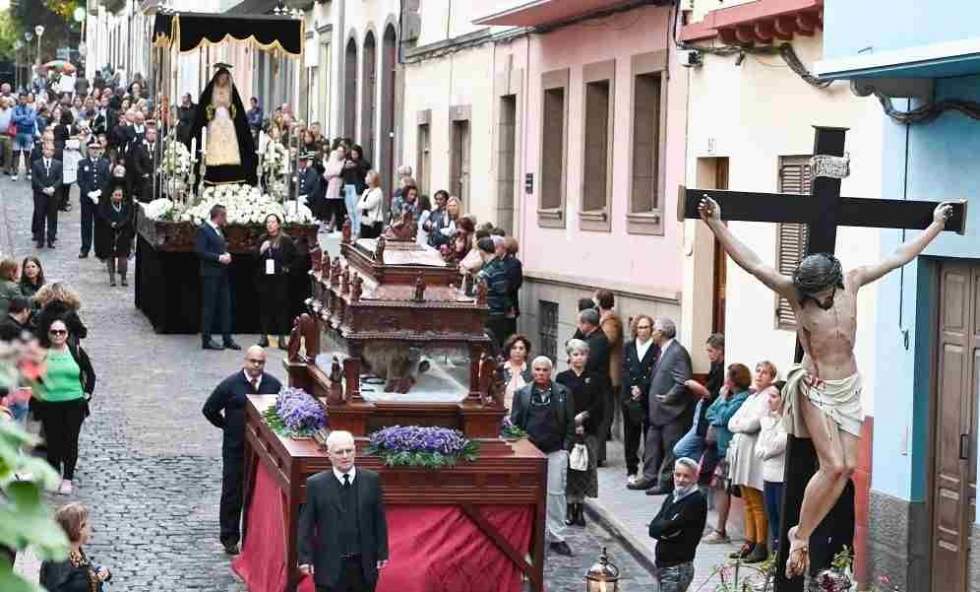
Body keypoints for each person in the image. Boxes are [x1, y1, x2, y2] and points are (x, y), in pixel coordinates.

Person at [698, 195, 956, 576]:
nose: (816, 299)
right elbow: (753, 264)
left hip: (848, 385)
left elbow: (898, 256)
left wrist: (935, 226)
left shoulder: (851, 283)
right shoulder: (796, 294)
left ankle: (801, 531)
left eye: (822, 293)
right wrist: (716, 224)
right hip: (816, 387)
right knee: (832, 463)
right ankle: (799, 537)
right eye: (811, 293)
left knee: (848, 467)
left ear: (833, 282)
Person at [202, 346, 282, 554]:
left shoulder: (273, 384)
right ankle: (229, 536)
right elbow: (209, 409)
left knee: (259, 490)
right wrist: (227, 426)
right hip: (235, 448)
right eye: (253, 361)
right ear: (245, 361)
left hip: (263, 449)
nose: (256, 366)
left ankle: (255, 537)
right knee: (232, 490)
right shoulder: (230, 385)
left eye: (260, 362)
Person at [298, 430, 389, 592]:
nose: (345, 456)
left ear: (355, 450)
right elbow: (306, 524)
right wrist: (305, 558)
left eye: (349, 450)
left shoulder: (371, 480)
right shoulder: (315, 484)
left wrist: (382, 552)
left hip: (363, 565)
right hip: (330, 566)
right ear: (329, 455)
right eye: (339, 452)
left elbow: (379, 520)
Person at [510, 356, 575, 556]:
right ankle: (527, 534)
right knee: (528, 494)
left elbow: (570, 423)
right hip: (530, 451)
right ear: (532, 371)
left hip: (555, 450)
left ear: (551, 371)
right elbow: (515, 423)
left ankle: (556, 536)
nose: (540, 373)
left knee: (555, 494)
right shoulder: (522, 394)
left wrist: (566, 447)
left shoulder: (563, 393)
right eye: (537, 369)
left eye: (544, 370)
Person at [30, 318, 96, 495]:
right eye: (54, 332)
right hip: (50, 404)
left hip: (74, 404)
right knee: (53, 442)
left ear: (67, 334)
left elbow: (90, 374)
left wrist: (86, 395)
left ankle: (68, 478)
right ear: (49, 334)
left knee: (70, 441)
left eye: (61, 332)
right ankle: (55, 476)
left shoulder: (76, 351)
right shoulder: (42, 354)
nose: (58, 335)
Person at [629, 317, 693, 496]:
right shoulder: (662, 350)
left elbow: (683, 380)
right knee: (652, 444)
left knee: (670, 448)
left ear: (662, 333)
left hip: (672, 411)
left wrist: (668, 398)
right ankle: (648, 476)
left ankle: (665, 482)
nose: (652, 332)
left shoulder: (677, 352)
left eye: (654, 329)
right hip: (657, 411)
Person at [726, 361, 776, 564]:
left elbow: (753, 424)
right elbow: (732, 420)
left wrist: (739, 426)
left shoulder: (768, 396)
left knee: (756, 500)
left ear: (771, 377)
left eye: (765, 372)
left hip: (753, 454)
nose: (760, 375)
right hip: (742, 454)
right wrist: (739, 426)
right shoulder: (752, 396)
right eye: (758, 370)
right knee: (746, 499)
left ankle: (760, 544)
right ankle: (749, 540)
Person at [701, 363, 751, 544]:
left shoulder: (741, 399)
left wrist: (721, 401)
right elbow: (709, 413)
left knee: (725, 489)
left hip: (731, 451)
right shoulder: (731, 397)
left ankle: (721, 531)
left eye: (727, 377)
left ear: (732, 380)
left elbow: (723, 417)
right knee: (720, 487)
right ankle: (720, 529)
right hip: (722, 449)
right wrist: (720, 409)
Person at [556, 339, 604, 528]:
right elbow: (560, 403)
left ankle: (580, 507)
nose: (579, 358)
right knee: (570, 469)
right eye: (575, 354)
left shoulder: (595, 377)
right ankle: (569, 506)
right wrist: (572, 421)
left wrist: (585, 417)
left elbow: (599, 403)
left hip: (588, 430)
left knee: (585, 469)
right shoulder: (562, 378)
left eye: (582, 354)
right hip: (568, 431)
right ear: (569, 356)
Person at [188, 64, 258, 187]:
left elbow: (237, 112)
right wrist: (211, 110)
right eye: (221, 78)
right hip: (214, 123)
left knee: (231, 147)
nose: (223, 81)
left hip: (228, 123)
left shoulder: (231, 91)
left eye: (225, 78)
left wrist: (229, 108)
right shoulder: (211, 90)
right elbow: (204, 110)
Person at [648, 457, 708, 592]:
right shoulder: (672, 497)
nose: (680, 480)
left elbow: (670, 528)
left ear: (695, 478)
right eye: (678, 475)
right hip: (664, 566)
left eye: (686, 476)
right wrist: (664, 529)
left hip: (677, 568)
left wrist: (664, 527)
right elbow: (653, 529)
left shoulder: (695, 501)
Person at [673, 334, 726, 483]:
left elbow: (712, 395)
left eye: (710, 351)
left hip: (707, 418)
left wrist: (694, 386)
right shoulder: (715, 366)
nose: (708, 354)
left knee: (680, 449)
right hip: (702, 416)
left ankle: (694, 474)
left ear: (720, 350)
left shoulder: (722, 370)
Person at [195, 204, 240, 351]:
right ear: (218, 216)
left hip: (222, 274)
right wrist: (219, 258)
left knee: (225, 306)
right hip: (210, 274)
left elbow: (220, 246)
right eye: (224, 216)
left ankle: (227, 338)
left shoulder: (218, 230)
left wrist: (226, 254)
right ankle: (206, 339)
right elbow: (200, 252)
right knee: (209, 307)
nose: (226, 219)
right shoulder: (203, 230)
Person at [40, 503, 113, 591]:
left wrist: (103, 572)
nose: (90, 527)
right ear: (78, 529)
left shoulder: (75, 551)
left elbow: (84, 570)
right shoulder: (58, 560)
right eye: (86, 524)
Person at [622, 314, 659, 485]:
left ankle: (648, 469)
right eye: (640, 327)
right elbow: (624, 369)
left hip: (648, 397)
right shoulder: (628, 347)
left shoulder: (656, 349)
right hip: (630, 397)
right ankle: (631, 469)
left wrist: (642, 389)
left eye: (646, 327)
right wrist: (632, 388)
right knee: (631, 434)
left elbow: (655, 372)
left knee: (649, 434)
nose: (643, 331)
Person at [756, 379, 788, 554]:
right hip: (768, 475)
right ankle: (775, 558)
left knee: (782, 521)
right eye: (769, 396)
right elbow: (758, 449)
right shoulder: (768, 420)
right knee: (773, 521)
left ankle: (780, 558)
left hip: (781, 477)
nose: (769, 400)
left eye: (774, 397)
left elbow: (778, 444)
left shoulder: (787, 421)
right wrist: (766, 449)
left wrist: (766, 450)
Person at [257, 214, 296, 348]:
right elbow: (254, 257)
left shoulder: (285, 240)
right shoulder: (262, 239)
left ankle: (282, 339)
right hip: (265, 279)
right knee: (264, 308)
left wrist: (287, 269)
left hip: (280, 279)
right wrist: (261, 250)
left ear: (278, 224)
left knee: (281, 309)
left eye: (273, 222)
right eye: (268, 222)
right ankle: (264, 337)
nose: (270, 225)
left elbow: (295, 258)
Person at [594, 289, 623, 465]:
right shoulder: (604, 317)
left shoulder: (610, 319)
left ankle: (607, 431)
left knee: (608, 402)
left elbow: (608, 340)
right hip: (606, 368)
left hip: (611, 368)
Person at [475, 237, 512, 349]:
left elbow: (501, 289)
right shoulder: (491, 267)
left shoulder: (495, 268)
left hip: (494, 313)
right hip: (490, 312)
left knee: (494, 345)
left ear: (482, 251)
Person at [95, 183, 135, 287]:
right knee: (110, 256)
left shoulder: (126, 205)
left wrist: (121, 224)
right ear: (111, 195)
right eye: (116, 195)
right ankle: (112, 278)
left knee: (123, 256)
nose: (118, 197)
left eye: (119, 195)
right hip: (109, 233)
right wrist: (110, 223)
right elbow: (102, 216)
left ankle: (123, 278)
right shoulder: (105, 205)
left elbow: (128, 217)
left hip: (123, 233)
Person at [76, 138, 110, 258]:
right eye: (92, 148)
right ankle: (85, 248)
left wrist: (99, 192)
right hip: (86, 199)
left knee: (100, 225)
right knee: (86, 224)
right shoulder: (82, 163)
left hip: (100, 199)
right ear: (88, 150)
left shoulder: (105, 163)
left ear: (100, 150)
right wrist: (89, 193)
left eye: (97, 148)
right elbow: (80, 180)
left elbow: (107, 180)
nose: (95, 151)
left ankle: (99, 249)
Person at [34, 283, 88, 347]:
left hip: (46, 350)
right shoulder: (70, 313)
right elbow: (82, 333)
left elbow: (38, 335)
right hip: (67, 349)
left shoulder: (41, 314)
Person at [31, 141, 63, 249]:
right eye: (47, 149)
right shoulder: (36, 163)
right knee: (40, 217)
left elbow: (60, 178)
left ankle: (51, 238)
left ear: (53, 152)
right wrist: (43, 189)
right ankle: (40, 239)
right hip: (40, 195)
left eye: (51, 150)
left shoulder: (58, 164)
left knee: (53, 217)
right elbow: (35, 179)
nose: (48, 152)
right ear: (43, 150)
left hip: (53, 194)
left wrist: (53, 188)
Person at [126, 124, 160, 202]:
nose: (151, 135)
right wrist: (142, 173)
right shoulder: (139, 147)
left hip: (157, 177)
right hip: (143, 178)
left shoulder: (161, 147)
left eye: (154, 133)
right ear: (146, 135)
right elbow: (136, 162)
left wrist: (158, 170)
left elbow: (162, 160)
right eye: (149, 133)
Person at [342, 144, 370, 231]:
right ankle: (353, 228)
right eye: (352, 154)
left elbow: (365, 175)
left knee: (357, 210)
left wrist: (356, 166)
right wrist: (345, 167)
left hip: (358, 188)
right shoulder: (348, 161)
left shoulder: (363, 163)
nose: (354, 156)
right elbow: (342, 174)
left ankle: (358, 229)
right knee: (350, 209)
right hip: (348, 187)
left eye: (355, 154)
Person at [499, 334, 532, 410]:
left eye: (521, 348)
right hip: (503, 413)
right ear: (509, 350)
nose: (517, 351)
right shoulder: (501, 370)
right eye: (514, 348)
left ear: (526, 351)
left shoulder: (531, 371)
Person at [11, 93, 37, 181]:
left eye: (24, 99)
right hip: (17, 133)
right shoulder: (15, 108)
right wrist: (25, 117)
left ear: (27, 99)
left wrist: (20, 119)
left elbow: (31, 120)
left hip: (28, 134)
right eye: (21, 99)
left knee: (27, 154)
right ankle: (15, 172)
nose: (23, 101)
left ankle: (28, 172)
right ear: (18, 99)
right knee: (16, 153)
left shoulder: (31, 109)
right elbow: (14, 119)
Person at [322, 147, 347, 232]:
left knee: (339, 209)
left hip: (340, 188)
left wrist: (334, 172)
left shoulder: (345, 162)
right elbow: (326, 174)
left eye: (341, 151)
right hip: (331, 187)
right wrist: (334, 173)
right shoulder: (333, 161)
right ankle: (331, 224)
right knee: (332, 207)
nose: (339, 153)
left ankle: (335, 226)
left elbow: (340, 172)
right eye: (338, 151)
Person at [356, 170, 384, 239]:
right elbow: (359, 204)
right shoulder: (366, 191)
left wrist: (362, 204)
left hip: (374, 221)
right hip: (365, 219)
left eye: (367, 176)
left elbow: (369, 205)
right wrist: (362, 204)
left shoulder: (377, 191)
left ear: (373, 178)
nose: (365, 178)